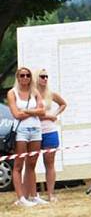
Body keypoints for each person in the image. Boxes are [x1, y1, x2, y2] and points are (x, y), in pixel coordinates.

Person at [7, 67, 45, 206]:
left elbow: (42, 111)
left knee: (32, 164)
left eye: (27, 75)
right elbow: (16, 114)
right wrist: (34, 112)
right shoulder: (12, 93)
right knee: (18, 164)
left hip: (35, 130)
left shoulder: (34, 92)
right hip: (21, 131)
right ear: (17, 77)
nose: (25, 78)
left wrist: (27, 111)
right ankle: (21, 197)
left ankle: (34, 195)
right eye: (22, 75)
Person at [35, 68, 67, 202]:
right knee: (31, 163)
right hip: (35, 131)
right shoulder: (31, 94)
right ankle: (32, 194)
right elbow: (34, 113)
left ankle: (50, 194)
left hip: (50, 131)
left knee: (49, 163)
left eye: (46, 76)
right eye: (42, 76)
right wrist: (48, 116)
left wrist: (55, 114)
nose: (45, 79)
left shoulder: (50, 93)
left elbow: (63, 104)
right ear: (36, 78)